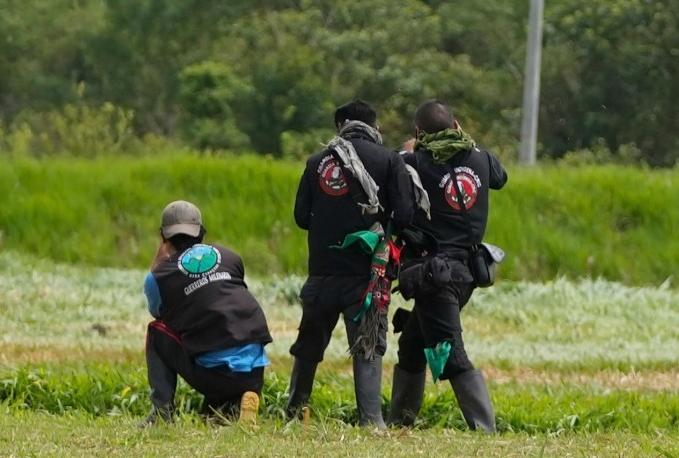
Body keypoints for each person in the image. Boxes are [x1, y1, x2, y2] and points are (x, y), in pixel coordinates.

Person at [286, 100, 414, 426]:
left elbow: (302, 217)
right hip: (367, 276)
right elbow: (406, 214)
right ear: (375, 126)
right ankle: (371, 420)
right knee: (368, 346)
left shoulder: (316, 163)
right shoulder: (387, 161)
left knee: (309, 345)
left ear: (340, 125)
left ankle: (295, 412)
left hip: (323, 272)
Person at [390, 99, 505, 431]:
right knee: (412, 344)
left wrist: (410, 149)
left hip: (435, 275)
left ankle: (485, 430)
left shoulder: (415, 163)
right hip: (467, 272)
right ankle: (400, 423)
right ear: (457, 127)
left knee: (450, 353)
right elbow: (500, 176)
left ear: (418, 133)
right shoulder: (481, 159)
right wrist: (462, 140)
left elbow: (393, 166)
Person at [143, 199, 273, 425]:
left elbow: (159, 313)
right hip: (255, 372)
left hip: (215, 376)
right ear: (201, 233)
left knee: (157, 331)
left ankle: (161, 414)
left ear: (164, 237)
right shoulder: (230, 256)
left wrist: (158, 266)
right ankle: (233, 405)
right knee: (220, 336)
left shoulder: (160, 276)